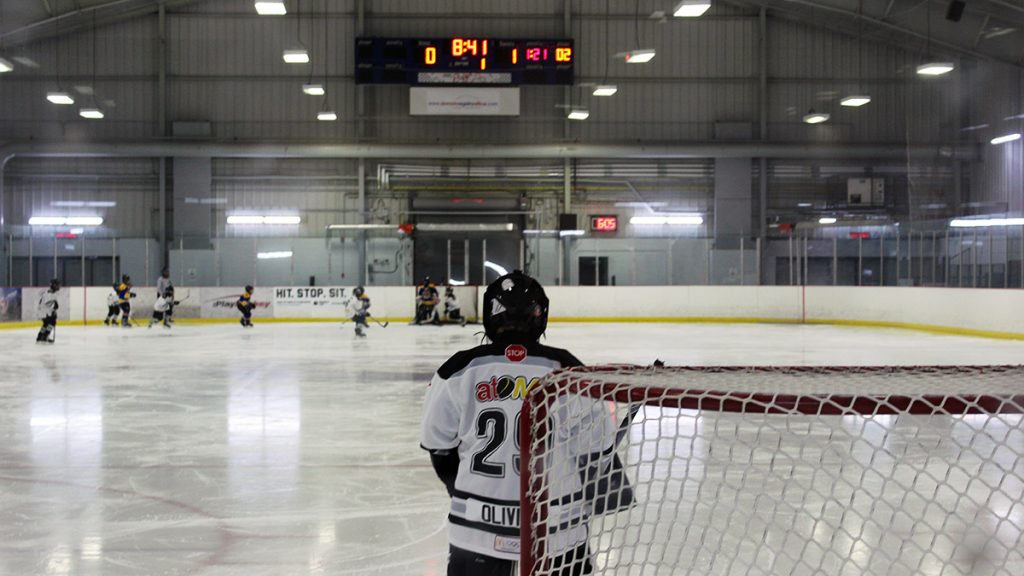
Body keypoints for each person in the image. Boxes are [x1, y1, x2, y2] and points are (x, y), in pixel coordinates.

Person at [420, 271, 612, 576]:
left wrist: (468, 492)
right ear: (540, 316)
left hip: (475, 528)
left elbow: (438, 447)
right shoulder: (570, 369)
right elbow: (597, 452)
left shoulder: (458, 368)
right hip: (558, 529)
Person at [36, 279, 60, 344]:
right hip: (45, 313)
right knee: (51, 323)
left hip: (43, 312)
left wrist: (54, 309)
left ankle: (40, 337)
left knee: (45, 324)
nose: (58, 287)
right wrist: (54, 308)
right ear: (53, 285)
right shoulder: (49, 294)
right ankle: (45, 336)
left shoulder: (48, 292)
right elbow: (49, 304)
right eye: (57, 285)